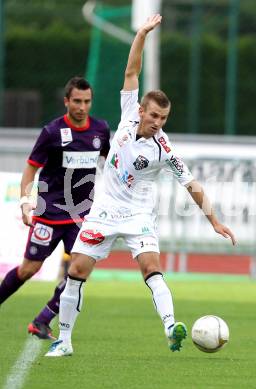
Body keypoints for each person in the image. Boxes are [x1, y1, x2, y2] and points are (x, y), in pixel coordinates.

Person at [45, 14, 236, 357]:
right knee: (76, 271)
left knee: (151, 267)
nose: (158, 123)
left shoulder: (164, 149)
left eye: (164, 118)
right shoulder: (128, 111)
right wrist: (143, 32)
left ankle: (170, 328)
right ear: (142, 111)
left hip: (137, 213)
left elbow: (191, 184)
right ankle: (65, 340)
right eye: (154, 116)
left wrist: (215, 221)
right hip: (104, 209)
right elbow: (131, 71)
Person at [0, 76, 110, 340]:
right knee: (29, 270)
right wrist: (27, 202)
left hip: (81, 216)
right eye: (77, 101)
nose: (82, 107)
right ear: (66, 101)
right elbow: (31, 168)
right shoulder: (52, 132)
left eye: (87, 101)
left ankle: (43, 319)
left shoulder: (101, 130)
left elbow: (112, 162)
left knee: (81, 270)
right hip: (49, 215)